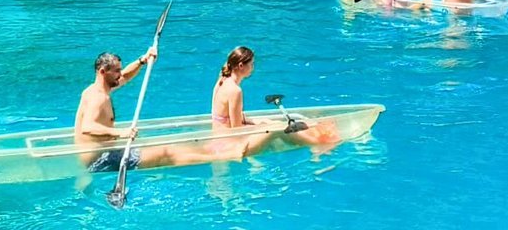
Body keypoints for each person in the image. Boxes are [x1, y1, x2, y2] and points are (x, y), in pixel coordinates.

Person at [74, 49, 214, 172]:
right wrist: (121, 132)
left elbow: (126, 76)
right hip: (99, 162)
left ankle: (210, 154)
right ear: (103, 72)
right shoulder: (98, 97)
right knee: (165, 153)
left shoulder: (100, 89)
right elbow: (88, 127)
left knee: (167, 148)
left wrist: (142, 60)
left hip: (106, 154)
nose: (120, 74)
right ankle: (218, 158)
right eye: (116, 71)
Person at [211, 46, 339, 158]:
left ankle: (311, 137)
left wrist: (257, 121)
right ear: (241, 66)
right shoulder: (235, 90)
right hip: (229, 143)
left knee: (270, 122)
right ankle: (317, 143)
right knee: (277, 128)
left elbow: (228, 117)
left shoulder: (222, 79)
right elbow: (236, 130)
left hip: (219, 136)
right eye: (252, 64)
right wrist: (261, 127)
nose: (253, 68)